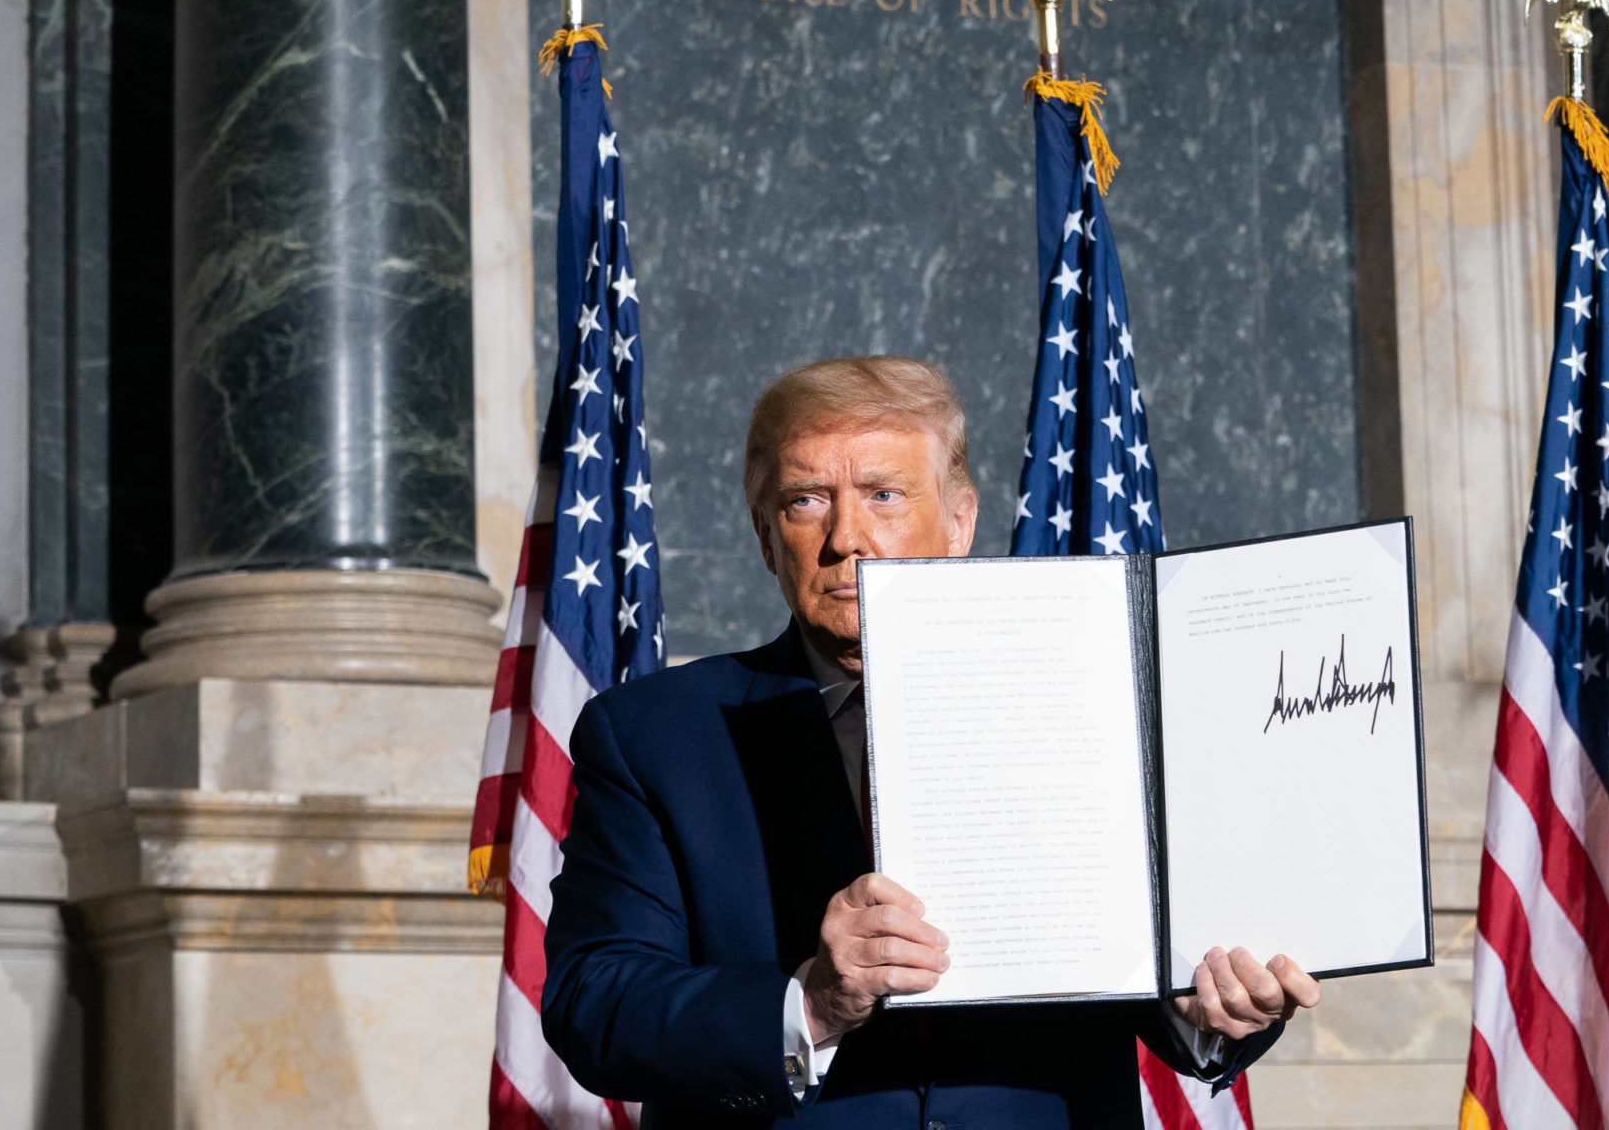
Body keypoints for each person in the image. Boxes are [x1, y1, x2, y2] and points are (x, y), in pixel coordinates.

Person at [540, 356, 1322, 1125]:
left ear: (959, 520)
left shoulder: (1104, 705)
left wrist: (1210, 1004)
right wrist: (809, 1002)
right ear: (764, 536)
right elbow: (593, 1004)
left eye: (884, 494)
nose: (847, 536)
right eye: (807, 500)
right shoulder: (654, 735)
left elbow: (1176, 976)